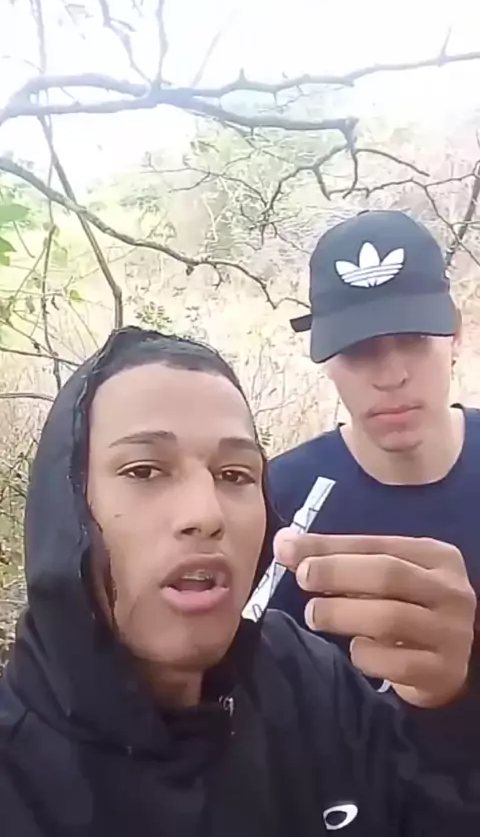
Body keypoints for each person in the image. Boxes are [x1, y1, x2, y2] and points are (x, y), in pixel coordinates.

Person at [0, 325, 478, 836]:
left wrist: (446, 705)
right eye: (144, 470)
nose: (206, 514)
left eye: (234, 475)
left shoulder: (305, 680)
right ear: (68, 505)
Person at [268, 210, 480, 697]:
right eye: (359, 350)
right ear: (327, 360)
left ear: (455, 335)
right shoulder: (278, 501)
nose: (391, 376)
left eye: (413, 339)